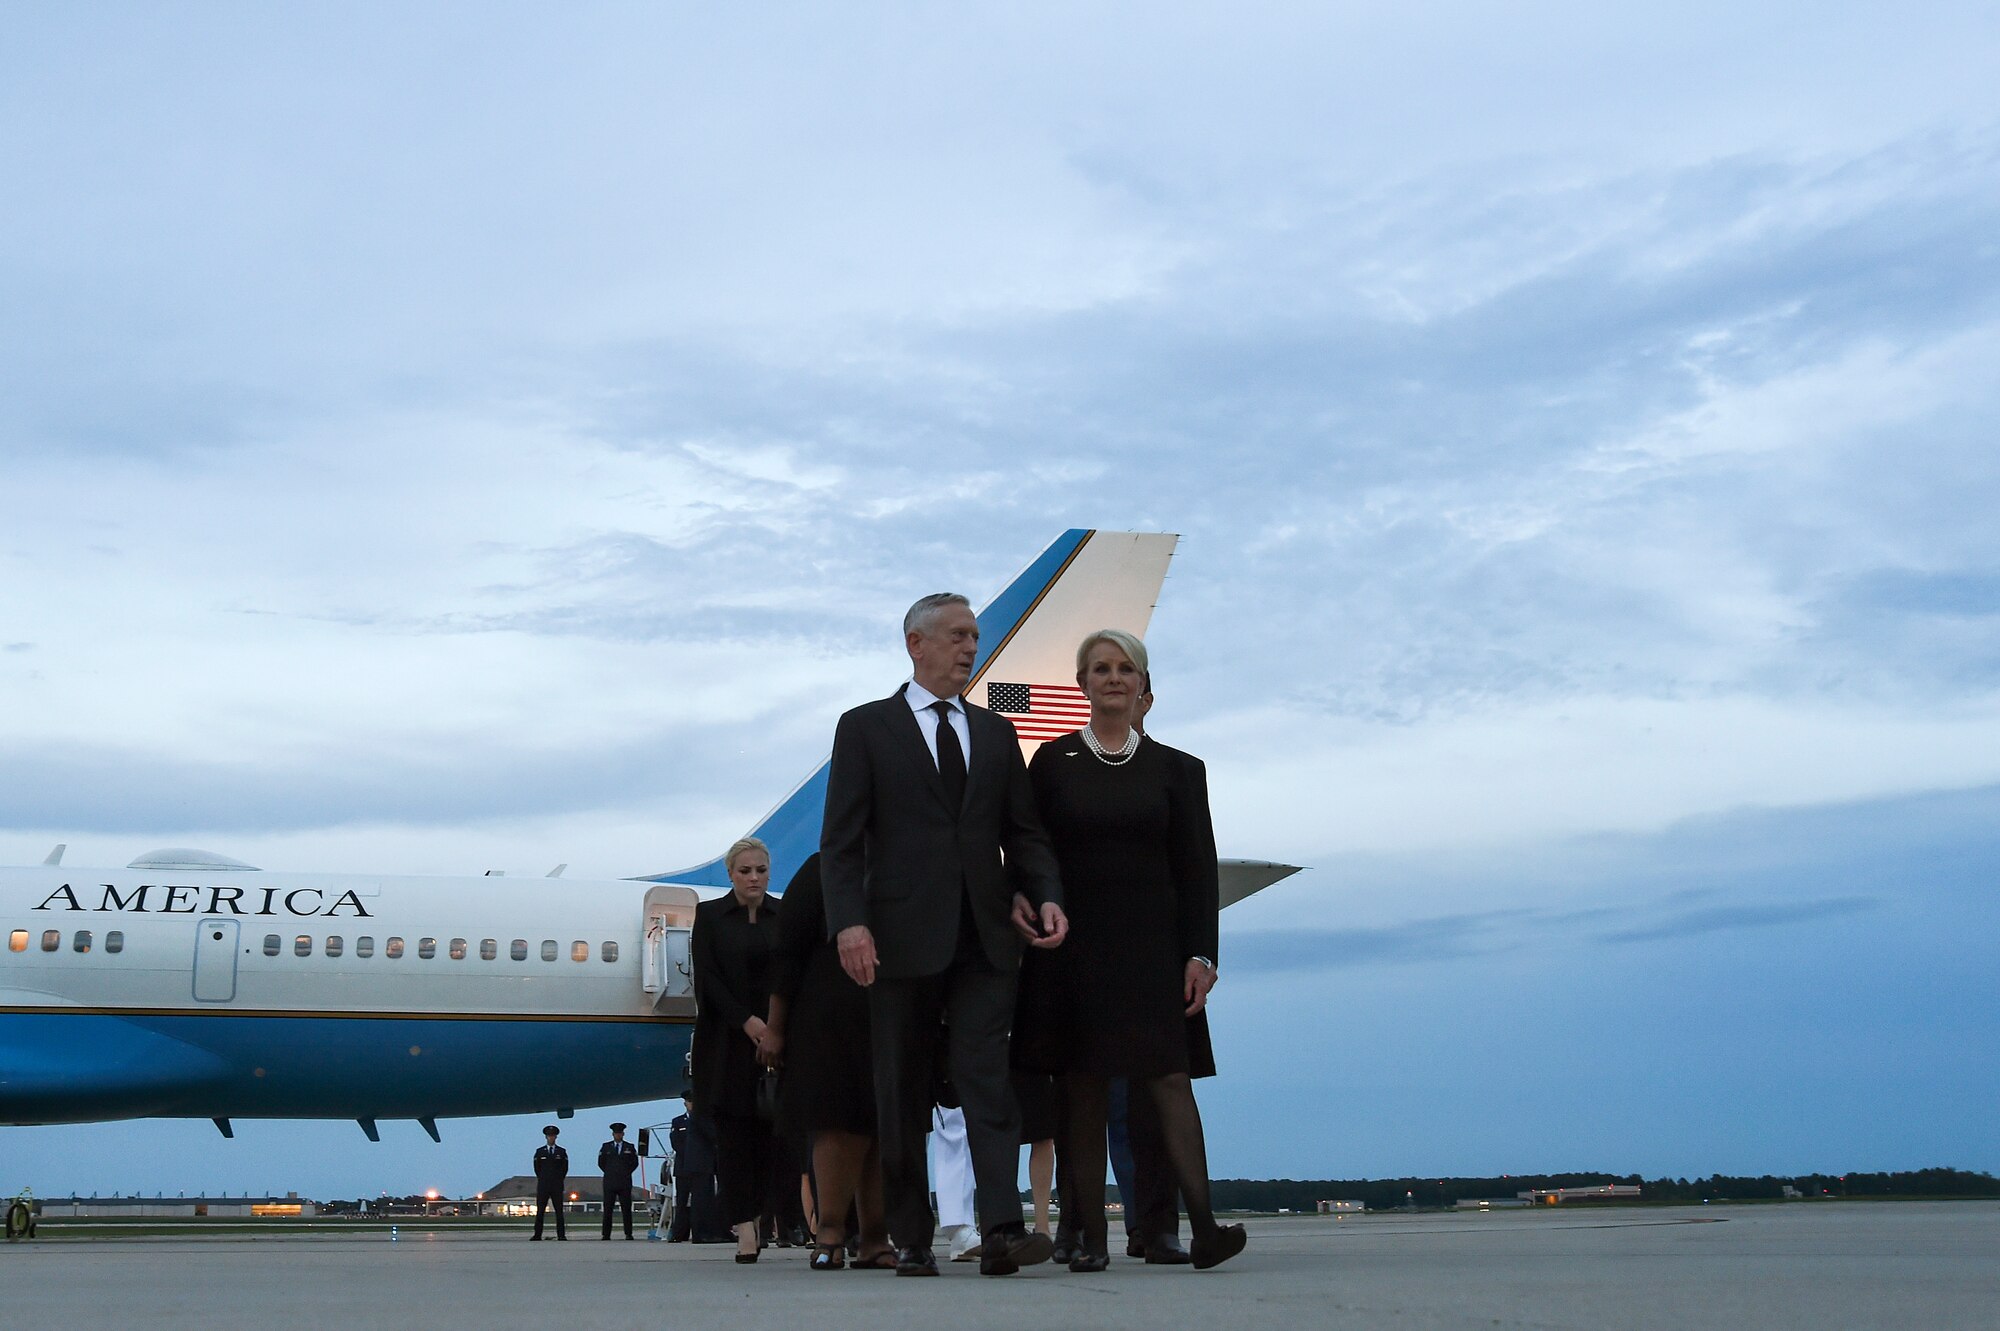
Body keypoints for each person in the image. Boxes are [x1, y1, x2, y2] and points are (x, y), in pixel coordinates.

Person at [821, 591, 1069, 1277]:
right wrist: (848, 922)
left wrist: (1041, 893)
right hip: (897, 939)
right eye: (957, 635)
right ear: (915, 644)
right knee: (902, 1091)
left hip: (986, 939)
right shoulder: (865, 728)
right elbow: (840, 843)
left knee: (987, 1081)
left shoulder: (995, 733)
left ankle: (1001, 1229)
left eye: (975, 636)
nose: (969, 647)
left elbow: (1023, 833)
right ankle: (911, 1236)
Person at [1018, 629, 1246, 1272]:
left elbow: (1198, 872)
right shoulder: (1053, 763)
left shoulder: (1179, 770)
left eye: (1125, 669)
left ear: (1144, 688)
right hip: (1076, 948)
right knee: (1083, 1089)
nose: (1113, 678)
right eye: (1099, 668)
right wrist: (1029, 907)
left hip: (1155, 948)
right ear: (1083, 684)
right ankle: (1091, 1240)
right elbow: (1032, 852)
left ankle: (1203, 1228)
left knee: (1170, 1081)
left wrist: (1202, 955)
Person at [762, 853, 895, 1270]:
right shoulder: (822, 868)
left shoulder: (909, 862)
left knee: (884, 1129)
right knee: (835, 1122)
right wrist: (776, 1027)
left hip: (893, 1009)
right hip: (828, 1015)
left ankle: (875, 1235)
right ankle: (832, 1229)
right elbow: (787, 952)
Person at [691, 836, 783, 1264]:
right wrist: (748, 1022)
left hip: (776, 1042)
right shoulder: (709, 916)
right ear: (730, 874)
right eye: (745, 871)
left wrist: (775, 1028)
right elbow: (708, 981)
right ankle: (744, 1227)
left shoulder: (782, 917)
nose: (754, 878)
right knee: (733, 1139)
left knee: (770, 1139)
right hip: (728, 1042)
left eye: (761, 870)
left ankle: (765, 1216)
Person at [599, 1121, 639, 1239]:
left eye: (620, 1133)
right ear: (613, 1134)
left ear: (623, 1134)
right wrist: (610, 1172)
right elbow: (601, 1163)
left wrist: (625, 1173)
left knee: (626, 1209)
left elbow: (634, 1163)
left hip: (624, 1182)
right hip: (610, 1182)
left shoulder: (629, 1147)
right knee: (608, 1210)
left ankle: (628, 1233)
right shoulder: (606, 1147)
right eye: (616, 1133)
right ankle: (606, 1234)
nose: (618, 1135)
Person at [530, 1124, 568, 1240]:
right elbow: (537, 1169)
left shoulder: (561, 1152)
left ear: (556, 1137)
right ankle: (537, 1234)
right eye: (549, 1136)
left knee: (559, 1211)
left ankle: (561, 1235)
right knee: (540, 1211)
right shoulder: (540, 1152)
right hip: (543, 1185)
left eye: (553, 1136)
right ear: (546, 1137)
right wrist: (543, 1178)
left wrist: (557, 1179)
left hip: (556, 1185)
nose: (551, 1138)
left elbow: (564, 1169)